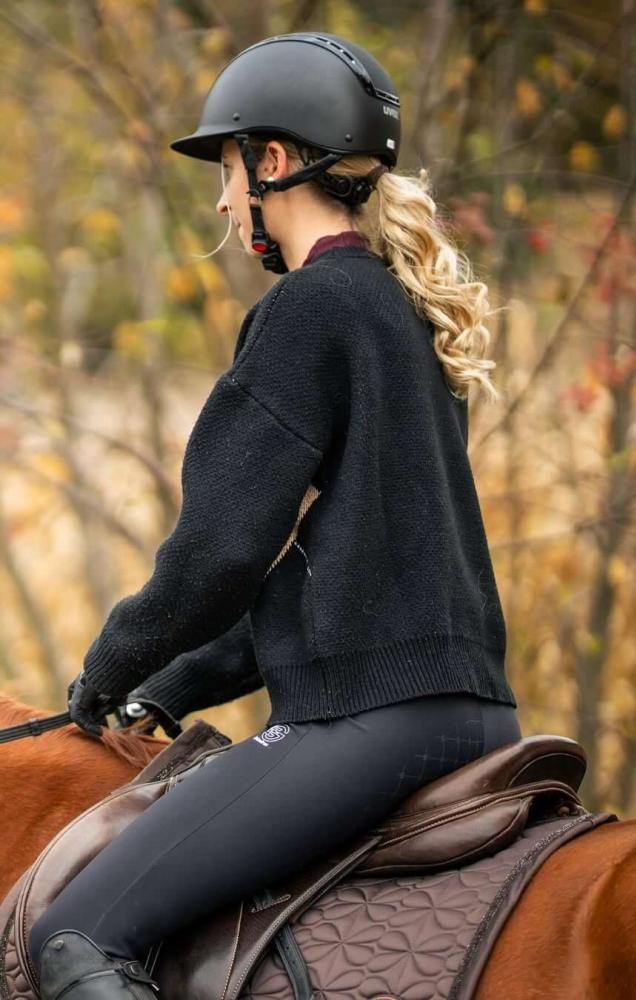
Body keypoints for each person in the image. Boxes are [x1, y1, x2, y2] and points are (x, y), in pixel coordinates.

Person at [29, 31, 522, 1000]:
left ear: (275, 161)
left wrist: (111, 665)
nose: (222, 201)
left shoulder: (308, 310)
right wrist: (177, 682)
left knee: (76, 935)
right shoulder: (404, 316)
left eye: (227, 170)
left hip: (367, 726)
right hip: (481, 717)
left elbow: (219, 553)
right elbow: (343, 579)